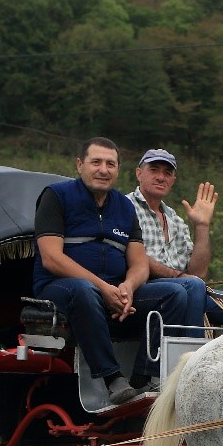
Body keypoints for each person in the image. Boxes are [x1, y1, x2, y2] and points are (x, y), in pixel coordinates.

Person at [32, 137, 195, 405]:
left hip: (113, 291)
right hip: (59, 287)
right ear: (79, 165)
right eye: (96, 162)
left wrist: (128, 287)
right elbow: (51, 258)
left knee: (174, 293)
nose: (103, 170)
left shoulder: (123, 206)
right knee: (84, 290)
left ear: (118, 170)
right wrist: (103, 288)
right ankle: (112, 377)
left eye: (110, 164)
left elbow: (140, 263)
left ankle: (146, 377)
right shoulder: (56, 196)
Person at [126, 148, 223, 335]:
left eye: (167, 173)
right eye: (154, 170)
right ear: (139, 173)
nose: (161, 177)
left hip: (188, 291)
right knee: (191, 287)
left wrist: (202, 226)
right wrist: (180, 277)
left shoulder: (175, 220)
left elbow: (198, 272)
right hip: (143, 292)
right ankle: (193, 357)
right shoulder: (125, 206)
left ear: (173, 181)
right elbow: (136, 257)